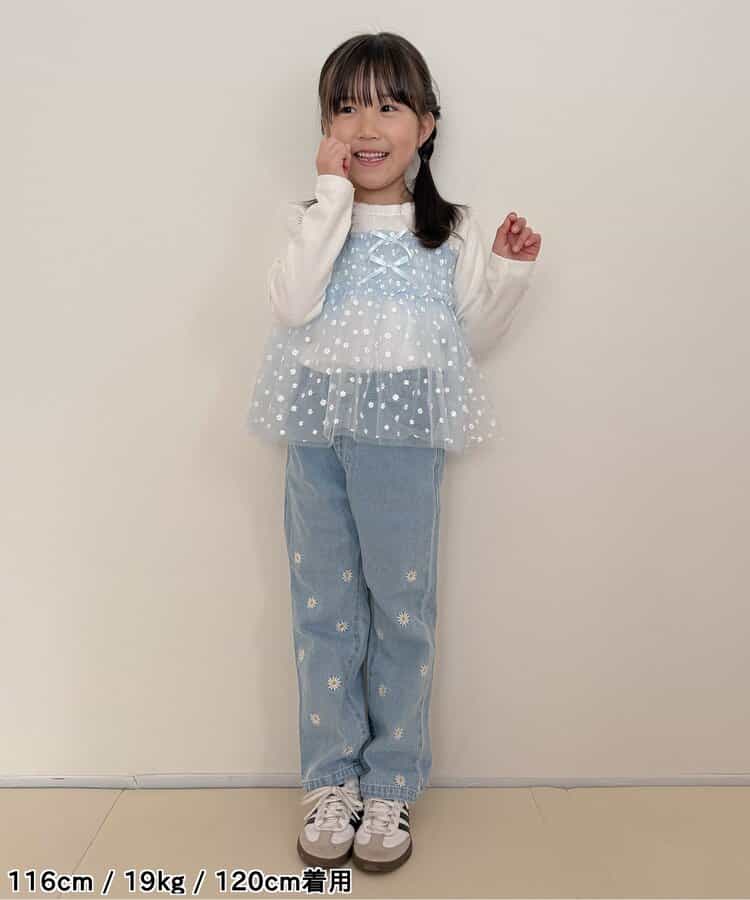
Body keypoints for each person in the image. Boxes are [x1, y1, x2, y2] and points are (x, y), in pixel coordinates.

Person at [247, 31, 542, 874]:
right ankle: (330, 779)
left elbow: (468, 338)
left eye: (387, 105)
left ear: (426, 124)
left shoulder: (447, 230)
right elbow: (291, 305)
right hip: (318, 434)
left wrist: (507, 273)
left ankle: (391, 782)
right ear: (326, 128)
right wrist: (331, 195)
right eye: (346, 108)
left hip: (404, 437)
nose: (366, 125)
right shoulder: (314, 218)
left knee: (401, 609)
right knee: (323, 607)